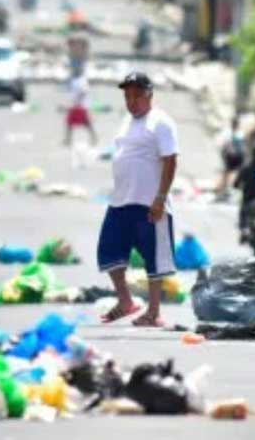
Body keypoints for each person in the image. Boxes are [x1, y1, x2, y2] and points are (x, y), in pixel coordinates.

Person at [97, 72, 179, 328]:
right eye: (127, 96)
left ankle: (154, 312)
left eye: (136, 95)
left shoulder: (161, 122)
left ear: (149, 95)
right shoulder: (127, 122)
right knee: (108, 251)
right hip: (121, 200)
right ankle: (126, 301)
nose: (131, 101)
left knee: (153, 259)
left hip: (149, 201)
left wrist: (160, 198)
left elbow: (170, 160)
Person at [63, 75, 97, 147]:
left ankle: (94, 137)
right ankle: (68, 139)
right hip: (75, 106)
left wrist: (78, 99)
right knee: (70, 124)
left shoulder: (82, 80)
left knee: (87, 123)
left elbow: (84, 92)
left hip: (81, 106)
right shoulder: (73, 80)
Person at [217, 117, 246, 200]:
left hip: (236, 156)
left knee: (232, 173)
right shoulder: (230, 133)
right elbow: (225, 144)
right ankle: (224, 190)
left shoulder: (239, 133)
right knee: (228, 173)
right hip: (231, 156)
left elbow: (241, 145)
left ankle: (228, 190)